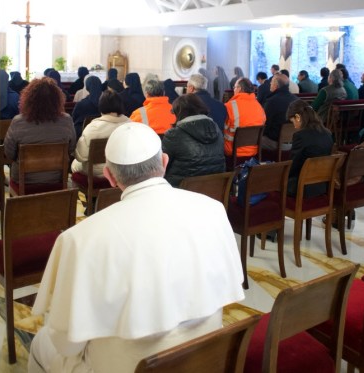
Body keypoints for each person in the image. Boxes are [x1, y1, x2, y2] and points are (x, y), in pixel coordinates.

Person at [28, 122, 244, 373]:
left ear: (109, 176)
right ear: (164, 162)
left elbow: (66, 345)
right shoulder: (213, 210)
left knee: (41, 342)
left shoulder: (81, 239)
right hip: (204, 359)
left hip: (125, 367)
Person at [3, 77, 76, 185]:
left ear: (28, 99)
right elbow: (71, 148)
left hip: (24, 180)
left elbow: (9, 153)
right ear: (57, 99)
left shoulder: (18, 121)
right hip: (57, 177)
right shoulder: (67, 120)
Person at [162, 94, 225, 187]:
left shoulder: (174, 135)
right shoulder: (216, 128)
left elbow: (163, 167)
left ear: (179, 113)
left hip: (182, 193)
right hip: (214, 190)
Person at [71, 90, 130, 177]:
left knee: (75, 164)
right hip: (124, 169)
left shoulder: (93, 128)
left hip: (97, 172)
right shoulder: (130, 125)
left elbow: (81, 156)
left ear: (101, 106)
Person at [286, 100, 334, 197]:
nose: (294, 126)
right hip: (322, 186)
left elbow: (294, 165)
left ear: (298, 117)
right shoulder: (327, 133)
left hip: (302, 188)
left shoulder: (300, 136)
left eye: (293, 121)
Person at [224, 77, 266, 157]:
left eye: (234, 87)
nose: (233, 90)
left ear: (239, 88)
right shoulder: (259, 106)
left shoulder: (229, 106)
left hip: (233, 150)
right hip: (254, 150)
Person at [261, 73, 299, 150]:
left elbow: (265, 124)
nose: (270, 84)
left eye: (271, 82)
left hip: (276, 143)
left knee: (254, 140)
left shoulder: (272, 101)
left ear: (276, 85)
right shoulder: (296, 100)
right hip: (294, 142)